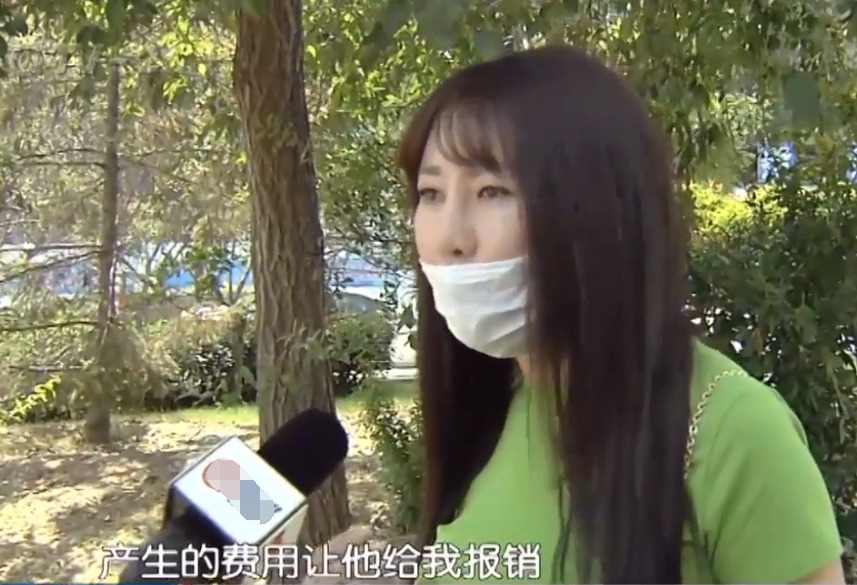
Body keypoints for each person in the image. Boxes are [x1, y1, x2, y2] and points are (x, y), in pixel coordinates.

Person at [395, 45, 845, 584]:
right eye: (431, 193)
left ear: (595, 212)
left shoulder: (733, 433)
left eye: (492, 191)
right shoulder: (487, 415)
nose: (450, 237)